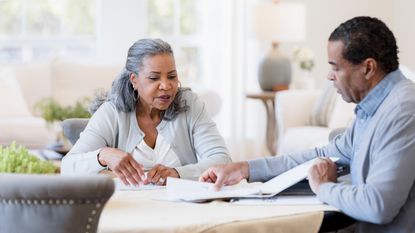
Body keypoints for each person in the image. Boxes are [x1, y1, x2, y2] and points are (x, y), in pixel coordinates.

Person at [199, 16, 415, 233]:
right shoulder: (372, 108)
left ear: (368, 68)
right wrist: (244, 168)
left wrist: (323, 187)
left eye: (336, 68)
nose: (330, 77)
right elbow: (322, 154)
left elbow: (378, 205)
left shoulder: (402, 111)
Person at [61, 38, 231, 186]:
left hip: (183, 209)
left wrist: (178, 173)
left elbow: (222, 160)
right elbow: (68, 167)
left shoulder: (189, 104)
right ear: (134, 80)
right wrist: (102, 155)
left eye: (171, 76)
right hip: (131, 210)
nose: (166, 85)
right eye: (154, 78)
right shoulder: (112, 112)